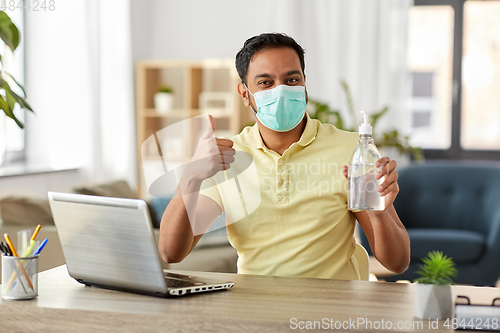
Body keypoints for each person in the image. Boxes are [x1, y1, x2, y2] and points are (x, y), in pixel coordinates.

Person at [158, 33, 410, 280]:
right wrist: (191, 175)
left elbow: (397, 263)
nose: (280, 91)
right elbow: (171, 252)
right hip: (254, 307)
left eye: (291, 80)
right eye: (265, 83)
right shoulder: (225, 158)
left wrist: (379, 214)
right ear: (245, 94)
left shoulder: (351, 149)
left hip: (332, 310)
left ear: (304, 85)